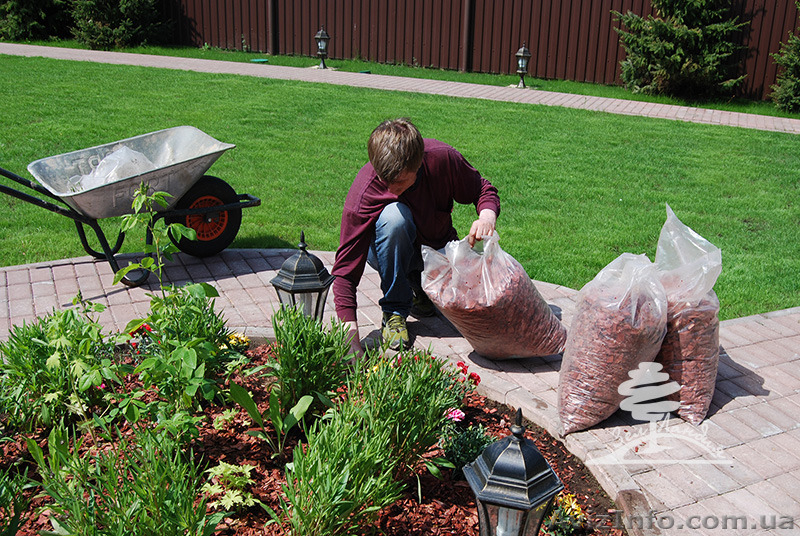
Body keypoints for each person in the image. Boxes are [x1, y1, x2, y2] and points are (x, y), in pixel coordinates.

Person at [332, 118, 500, 352]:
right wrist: (349, 340)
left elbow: (482, 189)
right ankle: (394, 312)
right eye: (384, 180)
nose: (390, 189)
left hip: (437, 252)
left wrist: (486, 218)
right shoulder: (365, 191)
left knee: (482, 314)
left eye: (399, 182)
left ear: (419, 163)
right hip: (388, 251)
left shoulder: (443, 159)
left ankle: (421, 290)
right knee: (394, 217)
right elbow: (345, 272)